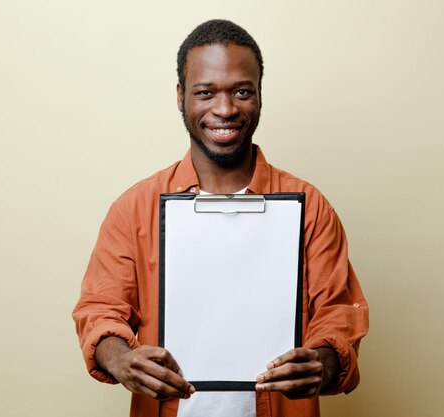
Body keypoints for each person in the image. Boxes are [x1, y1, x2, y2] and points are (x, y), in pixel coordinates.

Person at [72, 19, 368, 417]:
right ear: (181, 97)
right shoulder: (135, 208)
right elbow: (100, 309)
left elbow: (338, 313)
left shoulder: (309, 207)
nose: (225, 109)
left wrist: (324, 363)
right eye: (205, 93)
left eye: (241, 92)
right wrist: (120, 358)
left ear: (260, 95)